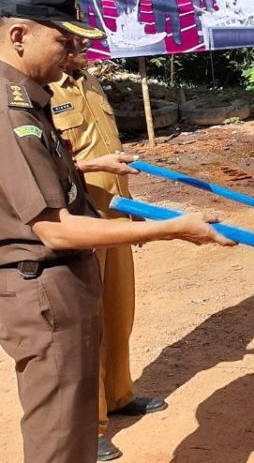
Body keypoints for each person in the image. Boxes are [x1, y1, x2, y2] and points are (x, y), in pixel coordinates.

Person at [0, 0, 232, 463]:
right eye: (64, 40)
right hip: (45, 275)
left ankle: (115, 400)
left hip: (69, 264)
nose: (74, 51)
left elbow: (35, 172)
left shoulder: (26, 95)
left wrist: (88, 165)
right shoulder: (9, 107)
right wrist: (172, 227)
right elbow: (53, 226)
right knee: (60, 434)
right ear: (19, 36)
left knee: (74, 419)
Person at [49, 41, 165, 461]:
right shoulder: (39, 91)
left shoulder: (90, 82)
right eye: (74, 42)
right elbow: (42, 164)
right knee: (87, 323)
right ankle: (89, 422)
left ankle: (117, 395)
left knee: (119, 311)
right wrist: (98, 168)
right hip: (78, 222)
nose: (85, 49)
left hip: (115, 215)